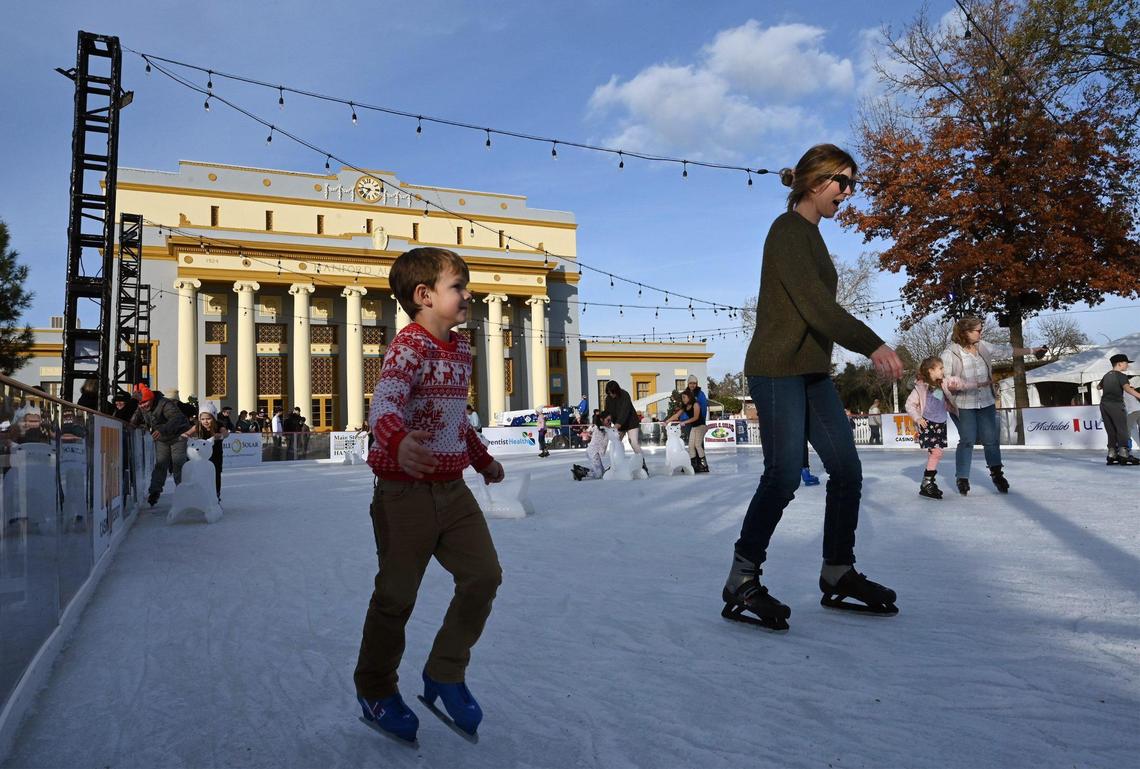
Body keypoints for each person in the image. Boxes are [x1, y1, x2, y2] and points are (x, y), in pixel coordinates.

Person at [725, 143, 904, 632]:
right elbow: (815, 308)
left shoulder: (812, 236)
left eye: (852, 183)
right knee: (783, 475)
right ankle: (742, 577)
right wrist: (873, 345)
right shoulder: (787, 231)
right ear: (813, 180)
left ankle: (837, 570)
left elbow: (817, 310)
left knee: (846, 469)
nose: (848, 192)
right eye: (841, 182)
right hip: (778, 369)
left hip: (812, 372)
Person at [354, 247, 504, 744]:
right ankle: (375, 688)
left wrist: (480, 458)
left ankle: (445, 670)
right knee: (396, 596)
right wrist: (399, 440)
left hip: (452, 489)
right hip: (404, 492)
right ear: (424, 296)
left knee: (484, 575)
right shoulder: (408, 347)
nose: (467, 294)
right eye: (458, 286)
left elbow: (454, 420)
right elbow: (384, 405)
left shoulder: (460, 349)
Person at [940, 317, 1044, 495]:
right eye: (977, 331)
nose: (980, 333)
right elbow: (945, 380)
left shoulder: (983, 347)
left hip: (986, 401)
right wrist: (953, 392)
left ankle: (997, 474)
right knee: (967, 440)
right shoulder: (950, 353)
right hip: (964, 404)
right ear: (965, 332)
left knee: (990, 439)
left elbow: (1006, 351)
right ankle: (962, 477)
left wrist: (1033, 350)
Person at [905, 357, 965, 499]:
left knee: (936, 453)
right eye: (940, 368)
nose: (943, 371)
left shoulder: (939, 386)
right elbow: (909, 405)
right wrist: (917, 418)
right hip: (926, 423)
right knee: (936, 452)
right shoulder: (921, 387)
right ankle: (927, 482)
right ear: (931, 370)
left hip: (940, 423)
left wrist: (952, 407)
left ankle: (927, 482)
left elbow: (940, 403)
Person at [130, 384, 191, 506]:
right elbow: (135, 419)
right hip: (162, 439)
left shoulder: (164, 403)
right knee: (161, 464)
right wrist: (130, 425)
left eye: (145, 402)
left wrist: (162, 430)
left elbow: (177, 418)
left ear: (151, 398)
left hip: (178, 436)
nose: (143, 405)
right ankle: (154, 492)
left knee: (178, 464)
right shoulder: (141, 407)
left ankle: (184, 491)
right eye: (140, 403)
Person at [1098, 353, 1140, 465]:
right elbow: (1127, 389)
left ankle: (1112, 454)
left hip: (1104, 405)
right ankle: (1124, 454)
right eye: (1126, 363)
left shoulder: (1107, 375)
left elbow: (1098, 386)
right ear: (1120, 364)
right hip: (1116, 405)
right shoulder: (1121, 376)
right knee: (1122, 429)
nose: (1127, 366)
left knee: (1111, 429)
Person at [182, 401, 228, 501]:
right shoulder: (198, 426)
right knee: (199, 473)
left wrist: (221, 435)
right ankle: (199, 494)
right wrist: (185, 436)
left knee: (215, 472)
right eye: (203, 419)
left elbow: (225, 433)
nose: (205, 421)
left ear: (214, 418)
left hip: (215, 453)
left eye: (208, 418)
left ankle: (216, 494)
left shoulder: (219, 425)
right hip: (201, 454)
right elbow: (187, 433)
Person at [603, 380, 648, 476]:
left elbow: (625, 411)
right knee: (616, 443)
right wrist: (607, 418)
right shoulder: (608, 399)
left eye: (612, 392)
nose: (611, 395)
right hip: (619, 425)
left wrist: (617, 425)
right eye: (609, 393)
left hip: (631, 423)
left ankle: (642, 464)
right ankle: (615, 464)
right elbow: (607, 411)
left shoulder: (624, 395)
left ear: (617, 390)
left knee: (633, 442)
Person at [663, 390, 707, 474]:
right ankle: (693, 465)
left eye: (684, 397)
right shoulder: (685, 406)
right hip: (694, 427)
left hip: (701, 426)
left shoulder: (696, 404)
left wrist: (684, 422)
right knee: (690, 446)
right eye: (682, 397)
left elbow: (696, 417)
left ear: (689, 397)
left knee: (697, 445)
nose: (683, 399)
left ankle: (704, 465)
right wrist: (667, 421)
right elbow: (676, 415)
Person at [571, 410, 611, 481]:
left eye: (610, 420)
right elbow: (603, 444)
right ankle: (580, 473)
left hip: (592, 451)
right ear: (602, 419)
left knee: (602, 472)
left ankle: (580, 469)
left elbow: (590, 430)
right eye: (608, 420)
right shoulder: (601, 428)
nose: (609, 422)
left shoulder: (600, 427)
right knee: (599, 474)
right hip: (593, 452)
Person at [684, 374, 710, 472]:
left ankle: (701, 464)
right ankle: (693, 464)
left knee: (698, 444)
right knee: (690, 444)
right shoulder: (685, 394)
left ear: (696, 384)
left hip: (698, 422)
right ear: (688, 383)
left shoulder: (700, 394)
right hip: (687, 422)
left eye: (694, 383)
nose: (692, 385)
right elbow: (683, 407)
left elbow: (703, 406)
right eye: (691, 383)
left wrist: (700, 418)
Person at [1126, 375, 1140, 451]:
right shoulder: (1132, 389)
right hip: (1138, 409)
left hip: (1133, 411)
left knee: (1127, 429)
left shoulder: (1122, 390)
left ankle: (1128, 447)